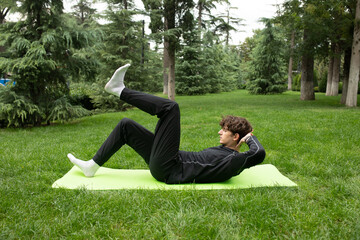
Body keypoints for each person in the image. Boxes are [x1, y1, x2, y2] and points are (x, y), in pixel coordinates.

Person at [67, 64, 266, 184]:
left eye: (225, 130)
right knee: (126, 125)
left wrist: (250, 137)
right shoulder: (227, 154)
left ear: (236, 137)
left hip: (169, 168)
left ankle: (120, 90)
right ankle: (91, 166)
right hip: (169, 162)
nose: (219, 132)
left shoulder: (234, 160)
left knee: (171, 108)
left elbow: (258, 153)